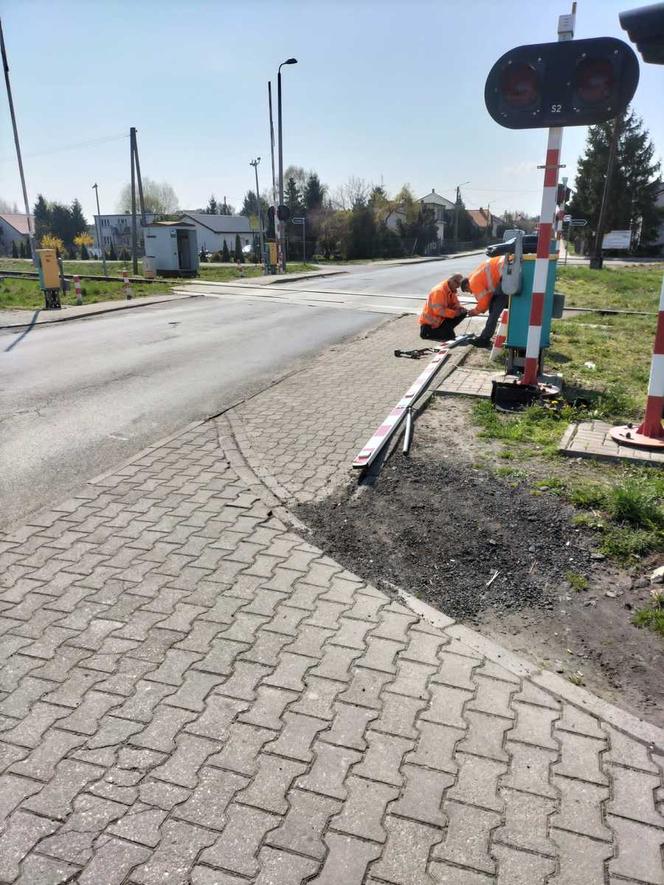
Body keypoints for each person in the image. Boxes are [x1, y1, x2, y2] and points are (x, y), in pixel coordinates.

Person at [461, 255, 508, 348]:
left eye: (467, 291)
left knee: (494, 310)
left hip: (505, 273)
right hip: (506, 269)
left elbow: (484, 302)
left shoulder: (473, 283)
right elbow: (488, 299)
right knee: (493, 307)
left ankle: (484, 339)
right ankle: (486, 336)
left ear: (467, 285)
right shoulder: (475, 276)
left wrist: (475, 311)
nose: (470, 293)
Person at [418, 273, 468, 341]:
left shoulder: (450, 289)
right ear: (452, 281)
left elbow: (455, 303)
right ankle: (427, 332)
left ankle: (446, 330)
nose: (458, 287)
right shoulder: (439, 291)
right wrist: (455, 313)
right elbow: (439, 311)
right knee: (450, 336)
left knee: (462, 313)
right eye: (458, 284)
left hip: (441, 320)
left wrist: (460, 309)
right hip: (430, 324)